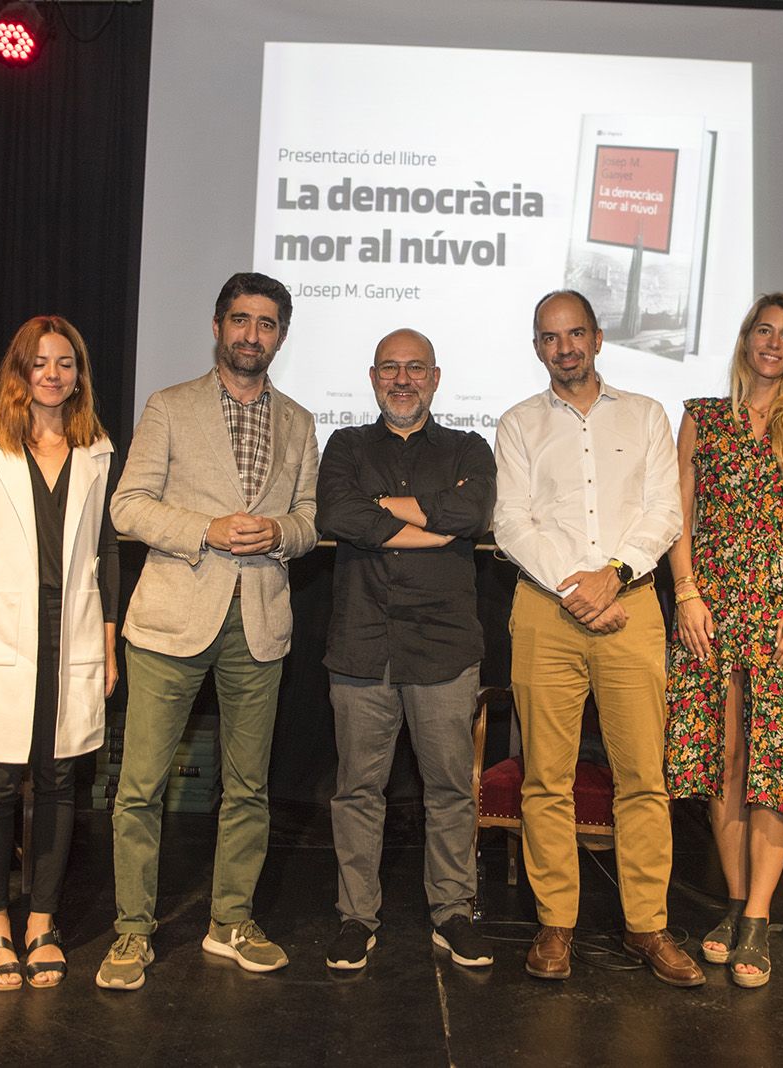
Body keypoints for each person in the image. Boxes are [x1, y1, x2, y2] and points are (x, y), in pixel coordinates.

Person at [98, 272, 319, 988]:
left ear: (280, 334)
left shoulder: (300, 421)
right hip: (169, 622)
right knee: (140, 787)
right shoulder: (170, 406)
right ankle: (132, 931)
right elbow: (127, 507)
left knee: (248, 787)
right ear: (217, 325)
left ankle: (231, 920)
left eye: (267, 324)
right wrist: (207, 529)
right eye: (241, 321)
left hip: (259, 624)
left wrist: (279, 531)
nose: (252, 335)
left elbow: (312, 523)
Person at [493, 290, 702, 988]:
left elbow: (665, 512)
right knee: (545, 778)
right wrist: (577, 591)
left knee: (644, 778)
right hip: (547, 613)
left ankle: (648, 926)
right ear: (537, 347)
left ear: (599, 337)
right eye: (550, 338)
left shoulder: (645, 416)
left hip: (632, 608)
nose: (565, 348)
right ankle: (557, 925)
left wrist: (612, 577)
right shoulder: (518, 424)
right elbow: (512, 524)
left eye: (575, 333)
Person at [0, 315, 120, 990]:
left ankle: (42, 919)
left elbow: (107, 548)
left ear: (78, 374)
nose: (52, 374)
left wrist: (106, 636)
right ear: (18, 371)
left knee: (62, 780)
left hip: (69, 629)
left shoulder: (96, 447)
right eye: (38, 362)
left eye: (65, 362)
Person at [664, 292, 783, 989]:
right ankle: (734, 906)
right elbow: (677, 515)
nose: (772, 343)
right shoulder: (701, 418)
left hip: (782, 604)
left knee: (778, 761)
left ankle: (760, 919)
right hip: (711, 602)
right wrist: (685, 592)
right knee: (725, 755)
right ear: (744, 341)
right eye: (762, 331)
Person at [315, 328, 497, 971]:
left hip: (443, 644)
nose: (402, 379)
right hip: (361, 641)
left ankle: (452, 911)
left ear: (436, 378)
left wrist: (387, 512)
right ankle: (355, 917)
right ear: (371, 378)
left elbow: (472, 512)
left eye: (415, 369)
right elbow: (336, 514)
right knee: (357, 790)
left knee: (450, 787)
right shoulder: (344, 444)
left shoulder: (469, 446)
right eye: (390, 368)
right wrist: (429, 525)